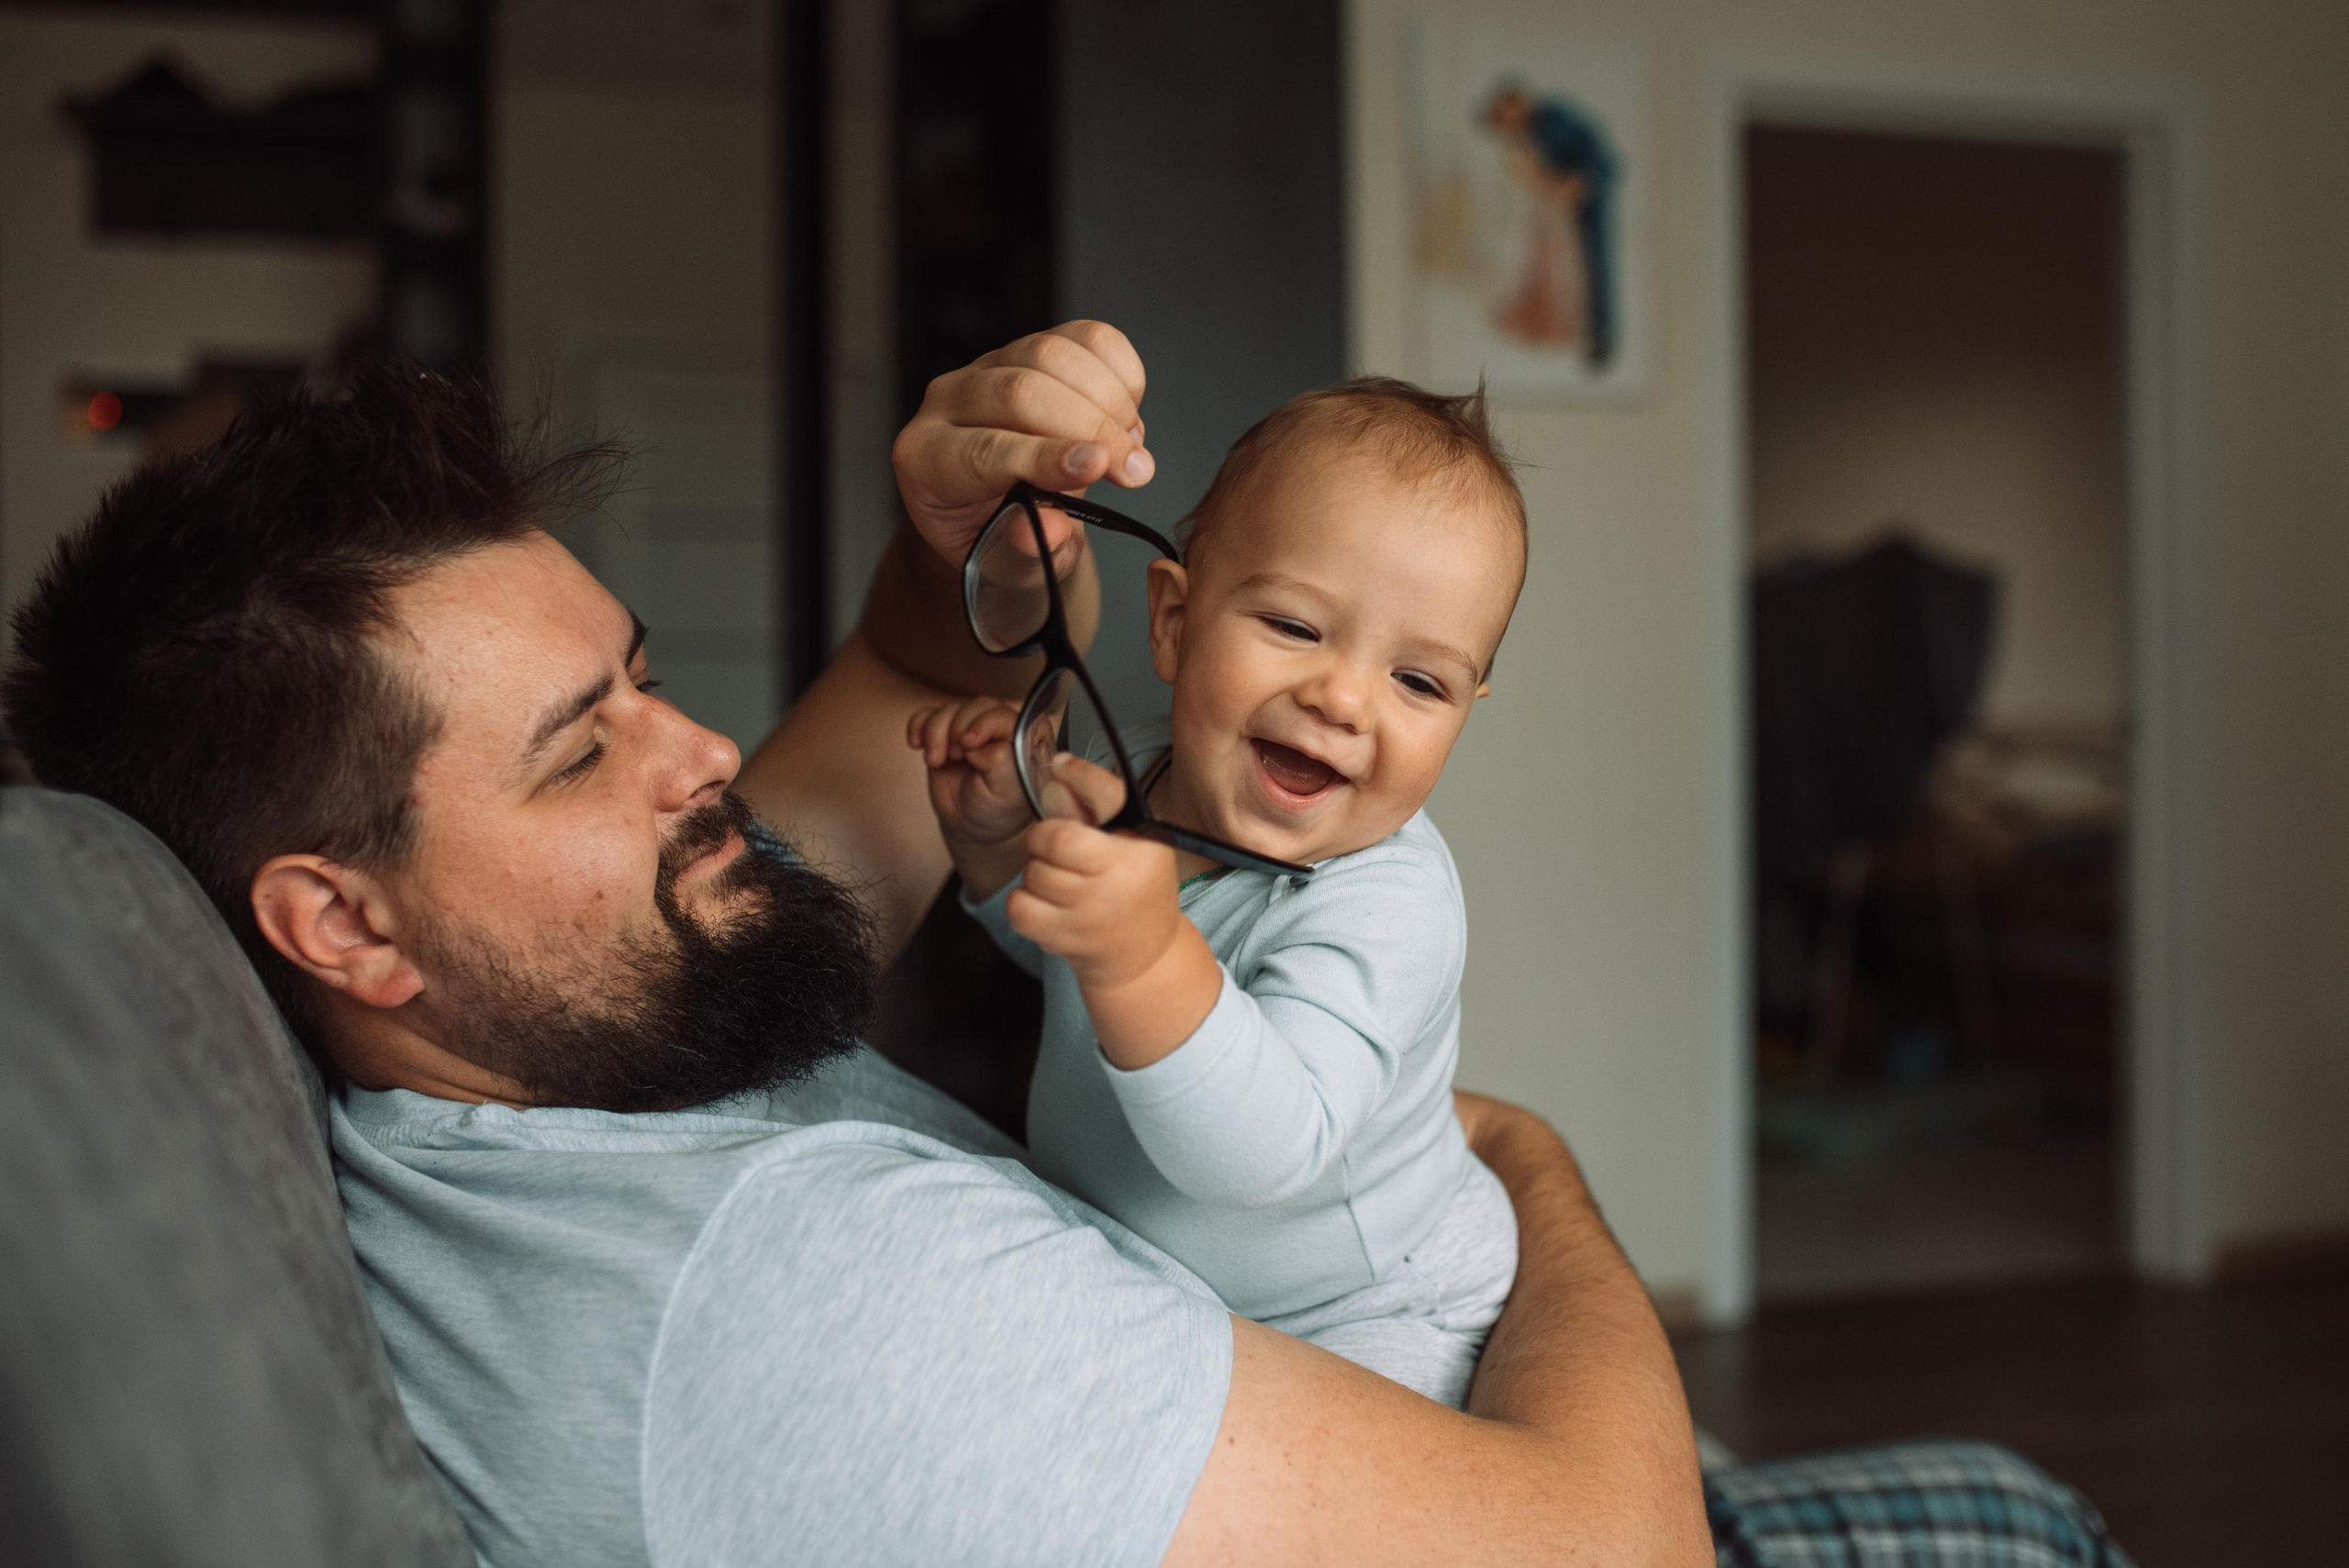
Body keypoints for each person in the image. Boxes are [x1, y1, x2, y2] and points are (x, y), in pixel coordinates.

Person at [2, 323, 2133, 1568]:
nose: (705, 750)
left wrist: (960, 545)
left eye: (641, 673)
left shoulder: (557, 1046)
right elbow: (1614, 1552)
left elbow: (880, 710)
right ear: (340, 917)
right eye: (588, 745)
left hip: (1385, 1405)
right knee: (2018, 1517)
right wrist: (1539, 1176)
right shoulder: (801, 1304)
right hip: (1542, 1473)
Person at [909, 379, 1525, 1407]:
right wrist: (998, 852)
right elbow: (1083, 971)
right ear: (1172, 621)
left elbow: (1264, 1147)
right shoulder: (1134, 761)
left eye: (1419, 682)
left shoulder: (1388, 902)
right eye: (1293, 624)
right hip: (1178, 1280)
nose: (1341, 697)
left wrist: (1143, 951)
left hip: (1364, 1303)